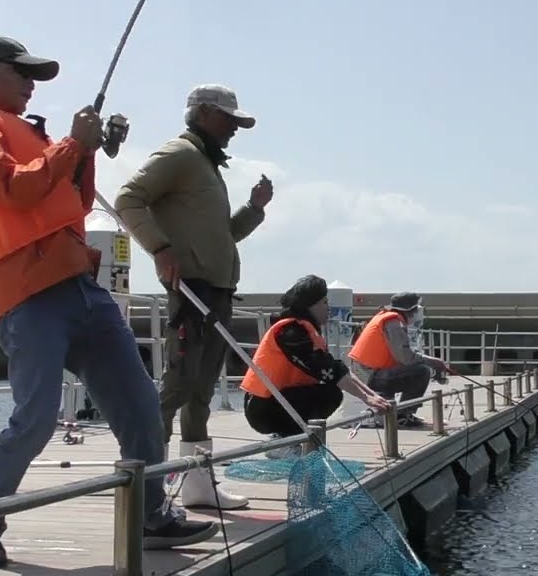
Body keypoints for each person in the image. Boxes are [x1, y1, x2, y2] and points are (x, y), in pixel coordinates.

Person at [0, 36, 220, 567]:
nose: (30, 82)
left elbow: (74, 201)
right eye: (21, 71)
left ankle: (151, 515)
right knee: (34, 418)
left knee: (140, 405)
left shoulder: (29, 132)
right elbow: (13, 190)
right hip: (26, 292)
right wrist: (70, 145)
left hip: (81, 286)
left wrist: (86, 151)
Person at [114, 83, 272, 511]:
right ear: (203, 113)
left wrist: (255, 208)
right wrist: (160, 250)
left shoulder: (206, 164)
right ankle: (146, 488)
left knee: (202, 389)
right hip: (192, 291)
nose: (235, 129)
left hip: (217, 292)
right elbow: (128, 199)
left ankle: (199, 484)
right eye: (229, 119)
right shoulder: (180, 155)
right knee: (178, 386)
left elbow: (225, 236)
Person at [241, 275, 390, 451]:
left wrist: (372, 396)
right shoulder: (290, 332)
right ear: (310, 305)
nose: (329, 308)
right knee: (330, 394)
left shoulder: (306, 330)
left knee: (330, 392)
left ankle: (293, 438)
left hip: (281, 400)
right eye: (325, 303)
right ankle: (285, 442)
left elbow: (337, 367)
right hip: (263, 408)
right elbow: (327, 370)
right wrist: (366, 398)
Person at [347, 292, 452, 427]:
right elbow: (406, 358)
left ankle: (402, 414)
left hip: (367, 372)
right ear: (411, 310)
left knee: (419, 368)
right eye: (417, 309)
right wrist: (432, 362)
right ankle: (404, 415)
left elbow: (404, 353)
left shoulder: (386, 318)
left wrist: (428, 359)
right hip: (369, 375)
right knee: (422, 371)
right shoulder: (393, 323)